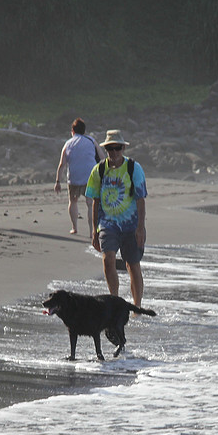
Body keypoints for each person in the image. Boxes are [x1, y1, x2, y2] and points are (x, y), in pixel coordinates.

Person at [86, 130, 148, 308]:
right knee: (108, 259)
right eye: (110, 149)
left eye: (117, 148)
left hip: (131, 225)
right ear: (105, 150)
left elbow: (141, 200)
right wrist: (94, 230)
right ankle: (114, 302)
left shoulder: (134, 168)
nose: (114, 152)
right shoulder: (99, 170)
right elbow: (95, 201)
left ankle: (137, 307)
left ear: (123, 148)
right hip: (108, 224)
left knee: (132, 265)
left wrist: (140, 228)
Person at [55, 118, 104, 235]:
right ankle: (92, 231)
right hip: (90, 177)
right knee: (90, 203)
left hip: (74, 178)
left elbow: (62, 164)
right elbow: (102, 158)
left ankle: (74, 227)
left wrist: (57, 181)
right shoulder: (91, 140)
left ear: (72, 131)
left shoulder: (68, 144)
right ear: (84, 131)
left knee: (73, 201)